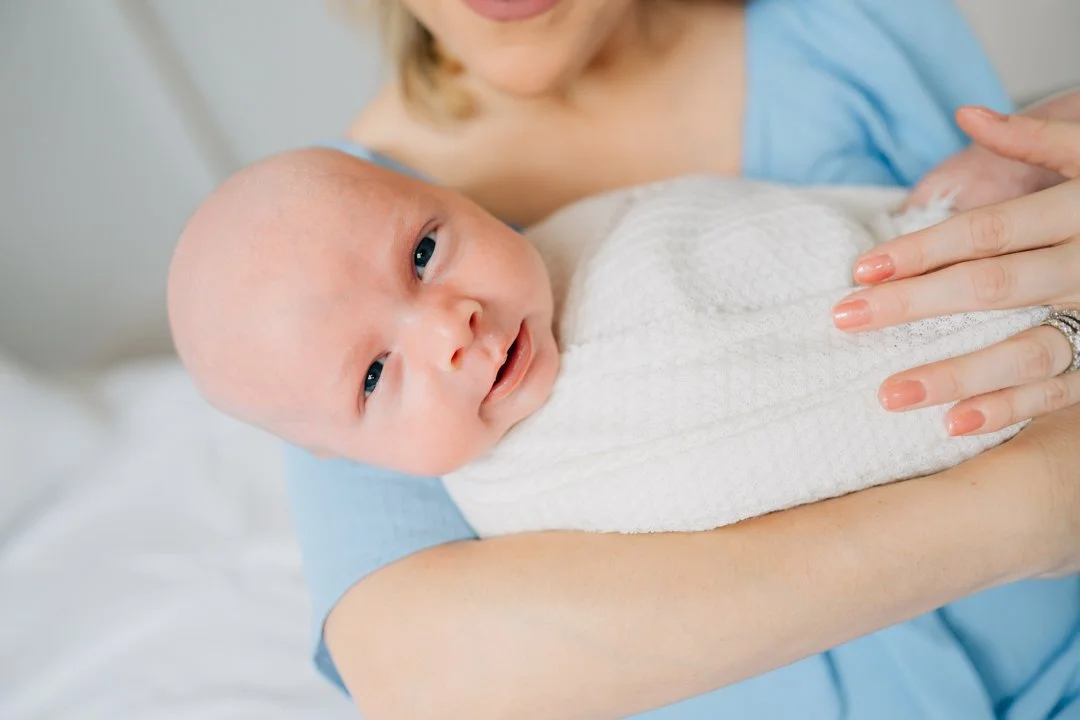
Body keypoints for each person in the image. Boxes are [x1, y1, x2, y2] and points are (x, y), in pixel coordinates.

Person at [285, 0, 1080, 716]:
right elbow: (426, 678)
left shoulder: (854, 29)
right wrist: (1034, 506)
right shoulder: (315, 244)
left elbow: (1035, 289)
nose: (447, 328)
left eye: (429, 252)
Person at [170, 151, 1061, 539]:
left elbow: (806, 232)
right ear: (334, 455)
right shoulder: (524, 509)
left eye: (424, 252)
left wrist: (937, 217)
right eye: (372, 373)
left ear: (452, 195)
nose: (450, 328)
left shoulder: (604, 235)